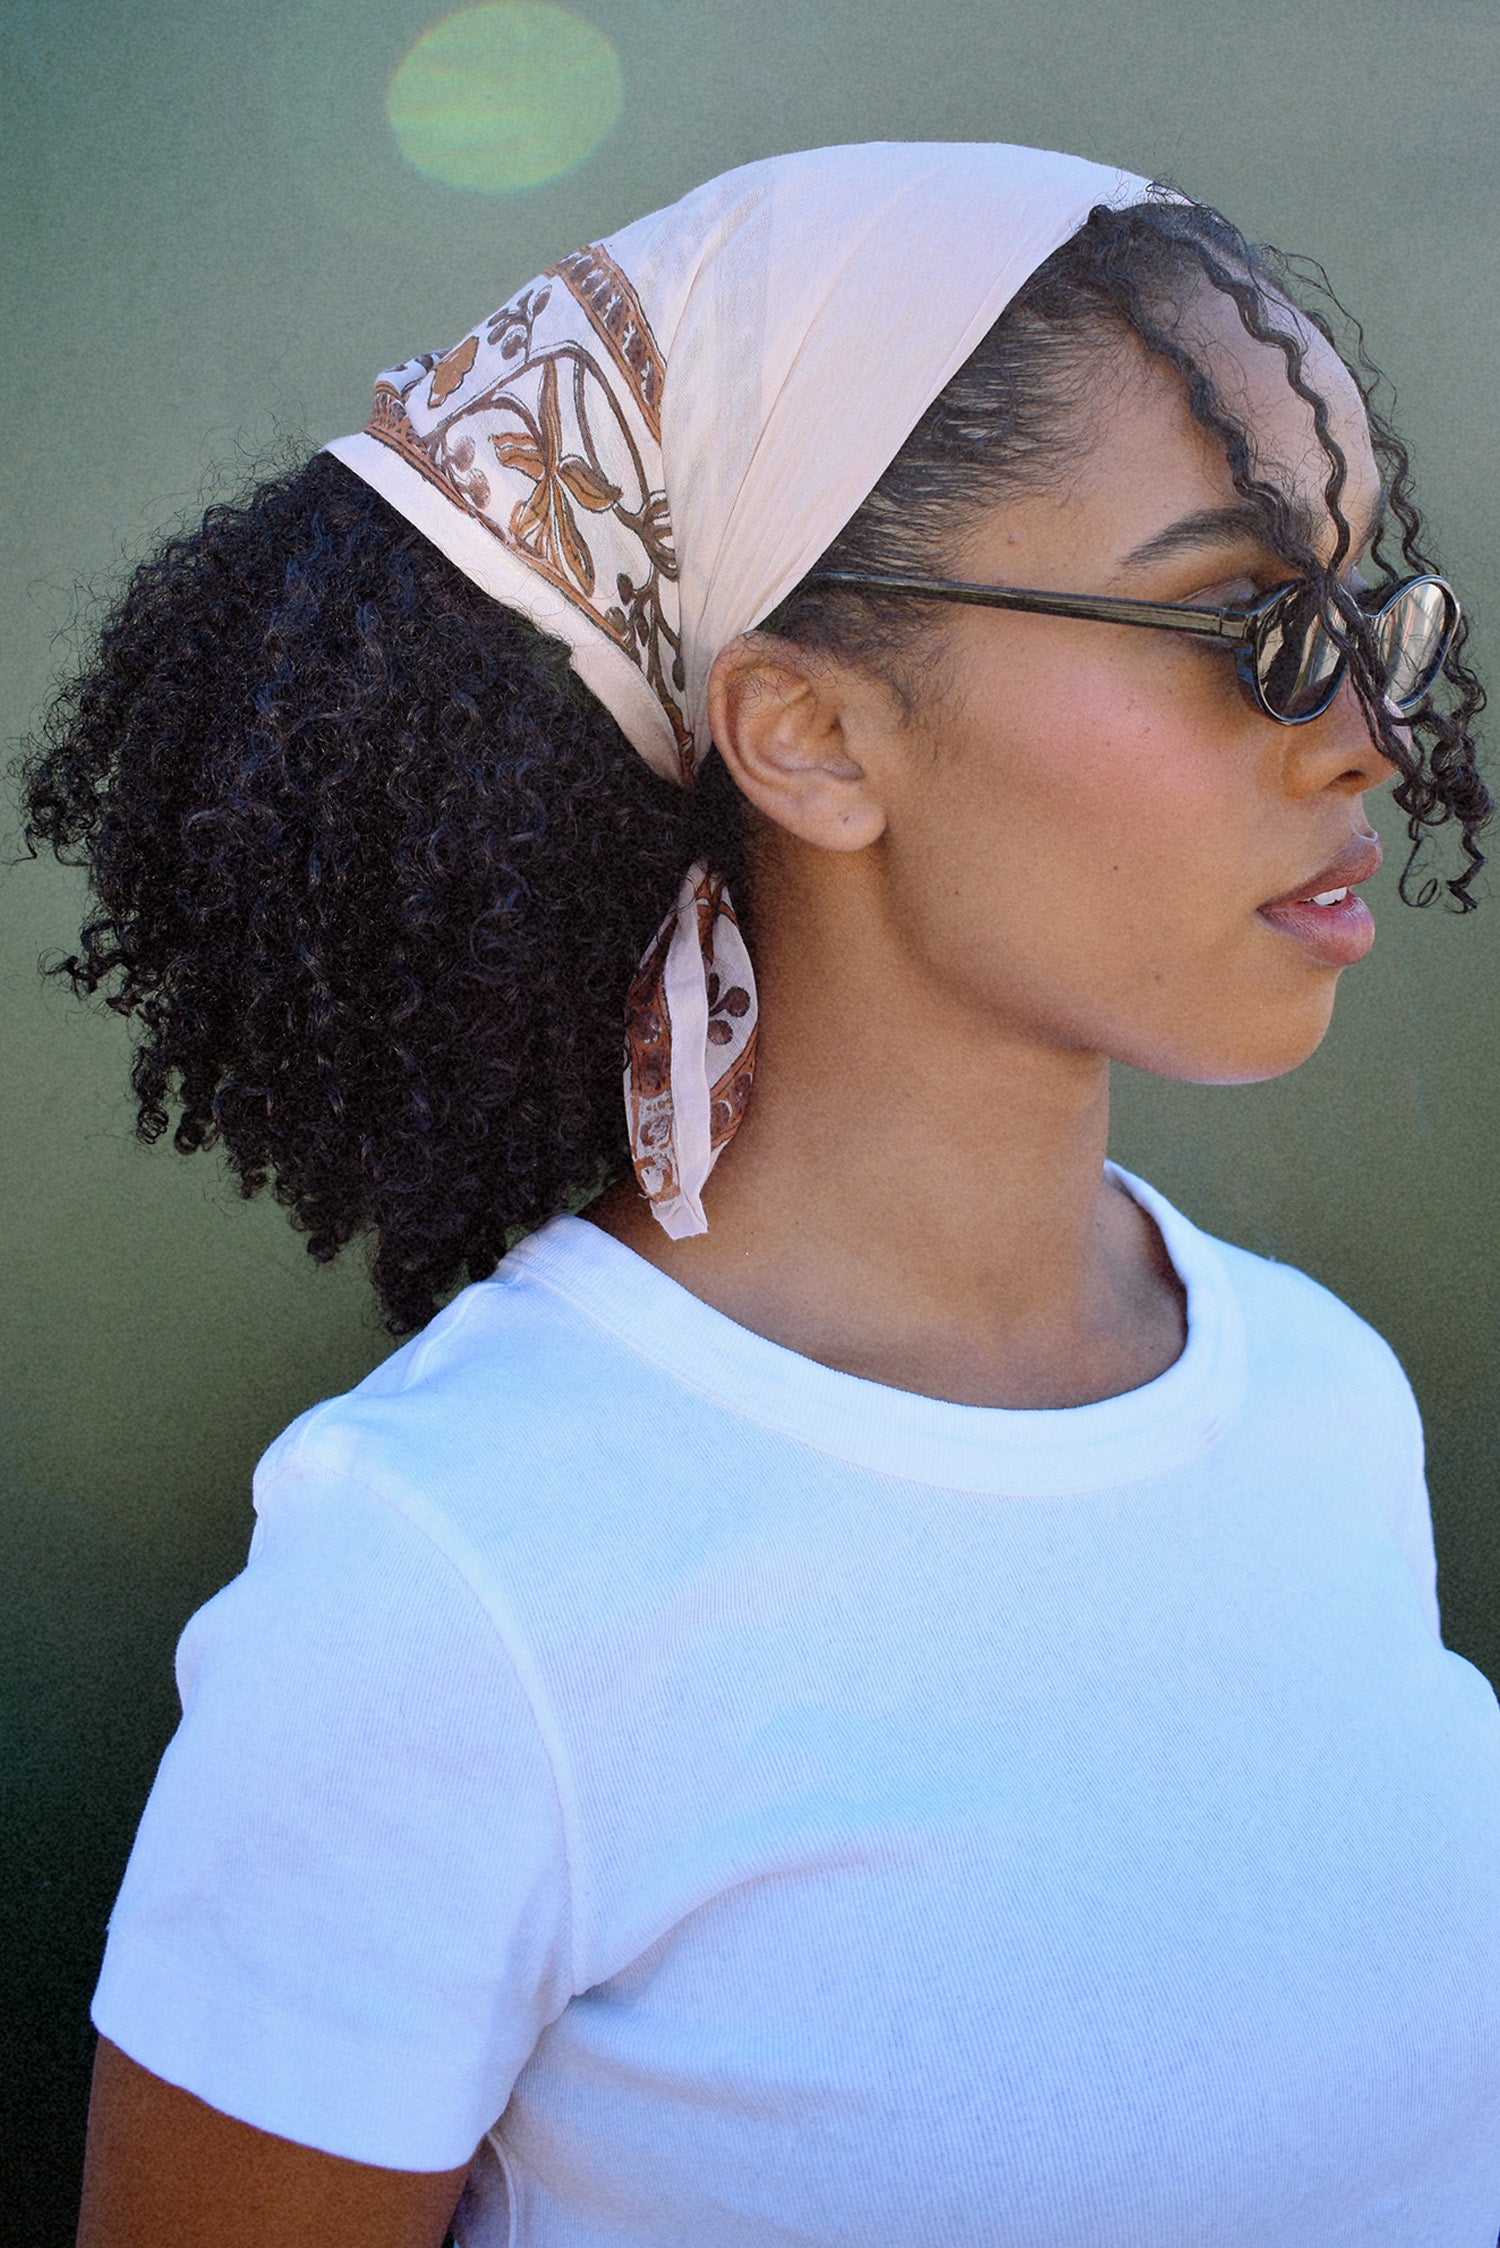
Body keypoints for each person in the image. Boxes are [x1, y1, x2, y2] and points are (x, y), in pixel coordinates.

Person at [20, 142, 1500, 2248]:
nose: (1363, 727)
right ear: (806, 736)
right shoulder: (453, 1582)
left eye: (1368, 603)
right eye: (1243, 622)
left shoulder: (1328, 1406)